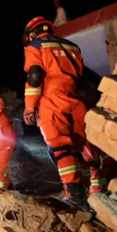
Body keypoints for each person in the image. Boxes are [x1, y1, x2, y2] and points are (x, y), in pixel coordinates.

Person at [21, 16, 94, 207]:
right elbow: (82, 77)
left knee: (59, 147)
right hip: (75, 99)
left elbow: (35, 76)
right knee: (77, 149)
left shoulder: (36, 46)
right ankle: (89, 191)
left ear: (33, 33)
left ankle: (77, 197)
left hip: (52, 99)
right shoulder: (72, 46)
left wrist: (29, 108)